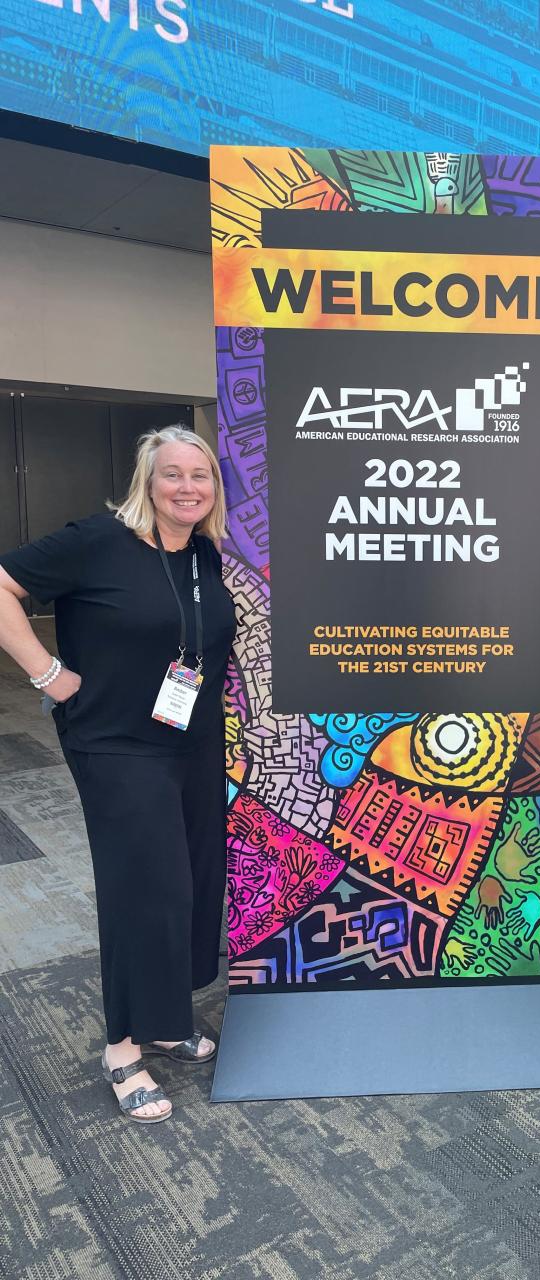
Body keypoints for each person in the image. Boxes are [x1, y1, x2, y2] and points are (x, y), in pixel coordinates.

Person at [0, 425, 237, 1123]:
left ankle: (166, 1019)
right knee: (147, 886)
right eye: (173, 474)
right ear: (147, 481)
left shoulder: (202, 554)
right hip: (114, 742)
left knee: (192, 881)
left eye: (201, 475)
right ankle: (123, 1048)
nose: (188, 487)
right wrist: (47, 673)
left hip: (190, 740)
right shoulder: (96, 541)